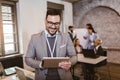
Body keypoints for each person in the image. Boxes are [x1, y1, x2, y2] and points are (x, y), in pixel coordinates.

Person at [25, 9, 77, 80]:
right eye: (50, 23)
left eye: (56, 23)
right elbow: (28, 59)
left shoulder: (66, 37)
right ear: (45, 21)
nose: (53, 26)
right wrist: (40, 64)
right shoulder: (35, 38)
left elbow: (74, 56)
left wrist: (69, 63)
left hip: (64, 77)